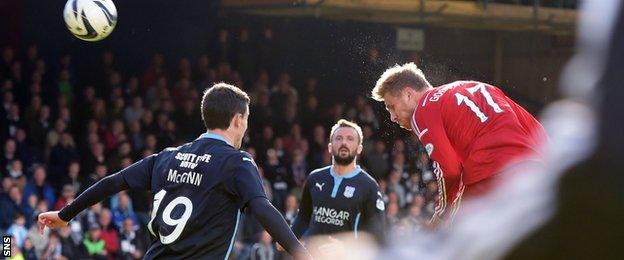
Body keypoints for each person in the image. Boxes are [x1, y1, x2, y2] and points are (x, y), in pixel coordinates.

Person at [38, 83, 311, 259]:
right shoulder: (237, 162)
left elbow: (112, 182)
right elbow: (262, 209)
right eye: (247, 120)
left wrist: (65, 214)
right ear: (238, 119)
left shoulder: (167, 157)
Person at [371, 62, 546, 224]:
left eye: (391, 107)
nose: (392, 117)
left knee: (452, 236)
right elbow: (535, 129)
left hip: (491, 173)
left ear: (408, 94)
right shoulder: (475, 86)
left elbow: (450, 170)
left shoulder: (423, 110)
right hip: (533, 170)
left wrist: (440, 215)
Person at [291, 119, 386, 255]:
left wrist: (348, 248)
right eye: (339, 138)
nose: (344, 143)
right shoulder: (314, 178)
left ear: (359, 148)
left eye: (350, 139)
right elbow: (303, 218)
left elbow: (378, 237)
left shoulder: (369, 186)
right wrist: (286, 241)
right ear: (330, 147)